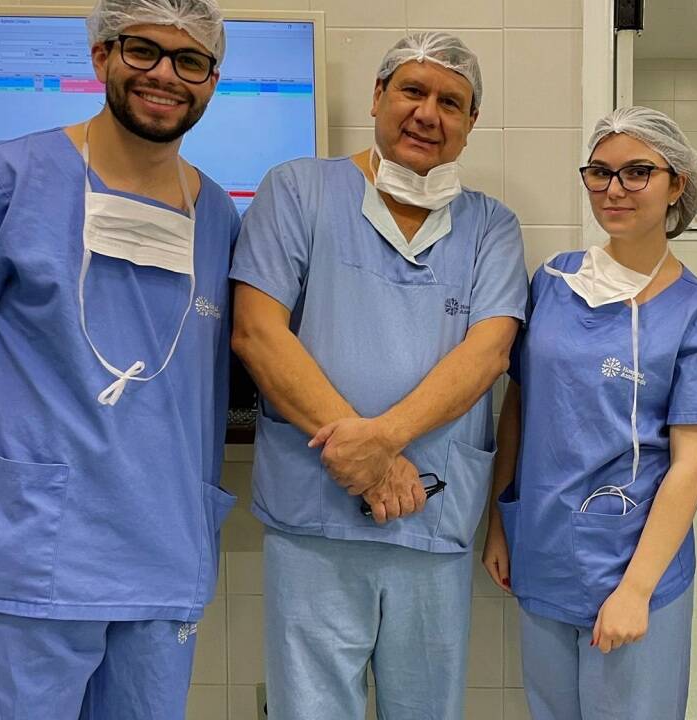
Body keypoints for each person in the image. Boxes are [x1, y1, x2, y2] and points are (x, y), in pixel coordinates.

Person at [228, 31, 527, 720]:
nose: (428, 113)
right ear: (377, 96)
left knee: (426, 708)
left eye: (451, 101)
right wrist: (366, 459)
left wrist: (381, 443)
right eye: (412, 91)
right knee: (310, 709)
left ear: (471, 123)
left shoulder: (490, 228)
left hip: (431, 512)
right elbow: (257, 332)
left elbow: (487, 355)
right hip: (316, 520)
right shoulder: (299, 190)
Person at [0, 0, 240, 716]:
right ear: (101, 56)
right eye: (142, 51)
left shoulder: (219, 216)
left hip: (163, 545)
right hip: (41, 549)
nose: (165, 74)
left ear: (212, 80)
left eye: (189, 60)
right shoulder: (16, 181)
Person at [481, 106, 697, 720]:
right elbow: (520, 404)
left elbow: (692, 465)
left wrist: (635, 589)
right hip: (542, 550)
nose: (614, 190)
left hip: (635, 565)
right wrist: (501, 521)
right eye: (599, 172)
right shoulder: (552, 282)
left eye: (637, 172)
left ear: (677, 184)